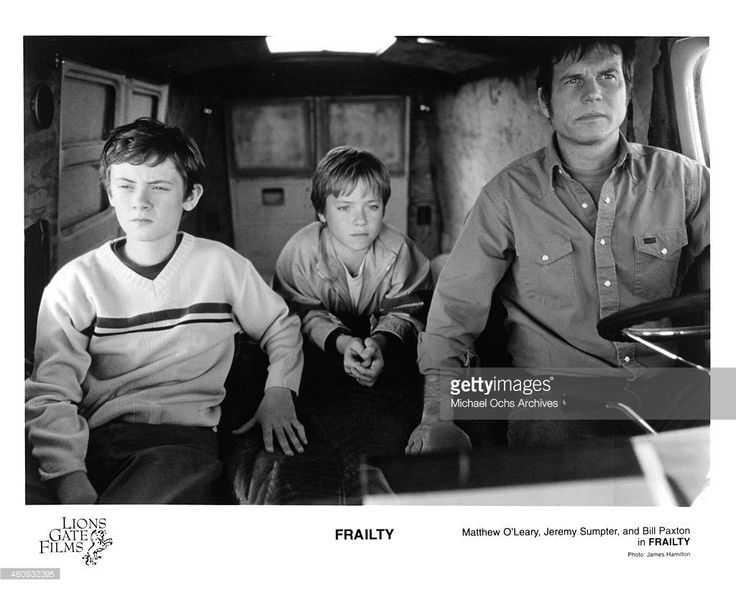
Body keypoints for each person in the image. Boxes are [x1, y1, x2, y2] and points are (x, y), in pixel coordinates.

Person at [406, 38, 710, 453]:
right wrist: (435, 419)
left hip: (670, 384)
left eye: (608, 76)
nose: (594, 93)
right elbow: (451, 315)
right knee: (565, 464)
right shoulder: (506, 197)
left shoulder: (685, 179)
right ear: (545, 101)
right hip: (553, 392)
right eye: (573, 81)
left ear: (626, 85)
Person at [25, 118, 306, 504]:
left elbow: (281, 326)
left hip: (182, 442)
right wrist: (69, 476)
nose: (140, 201)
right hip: (94, 439)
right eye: (126, 186)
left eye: (159, 186)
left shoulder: (221, 265)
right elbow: (51, 393)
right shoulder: (75, 283)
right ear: (109, 192)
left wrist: (279, 390)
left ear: (190, 196)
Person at [270, 146, 432, 502]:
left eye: (371, 207)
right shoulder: (299, 252)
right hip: (323, 349)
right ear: (321, 212)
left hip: (383, 347)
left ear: (384, 208)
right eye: (344, 208)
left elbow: (407, 310)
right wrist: (342, 343)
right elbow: (298, 313)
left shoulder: (398, 250)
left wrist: (380, 344)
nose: (360, 221)